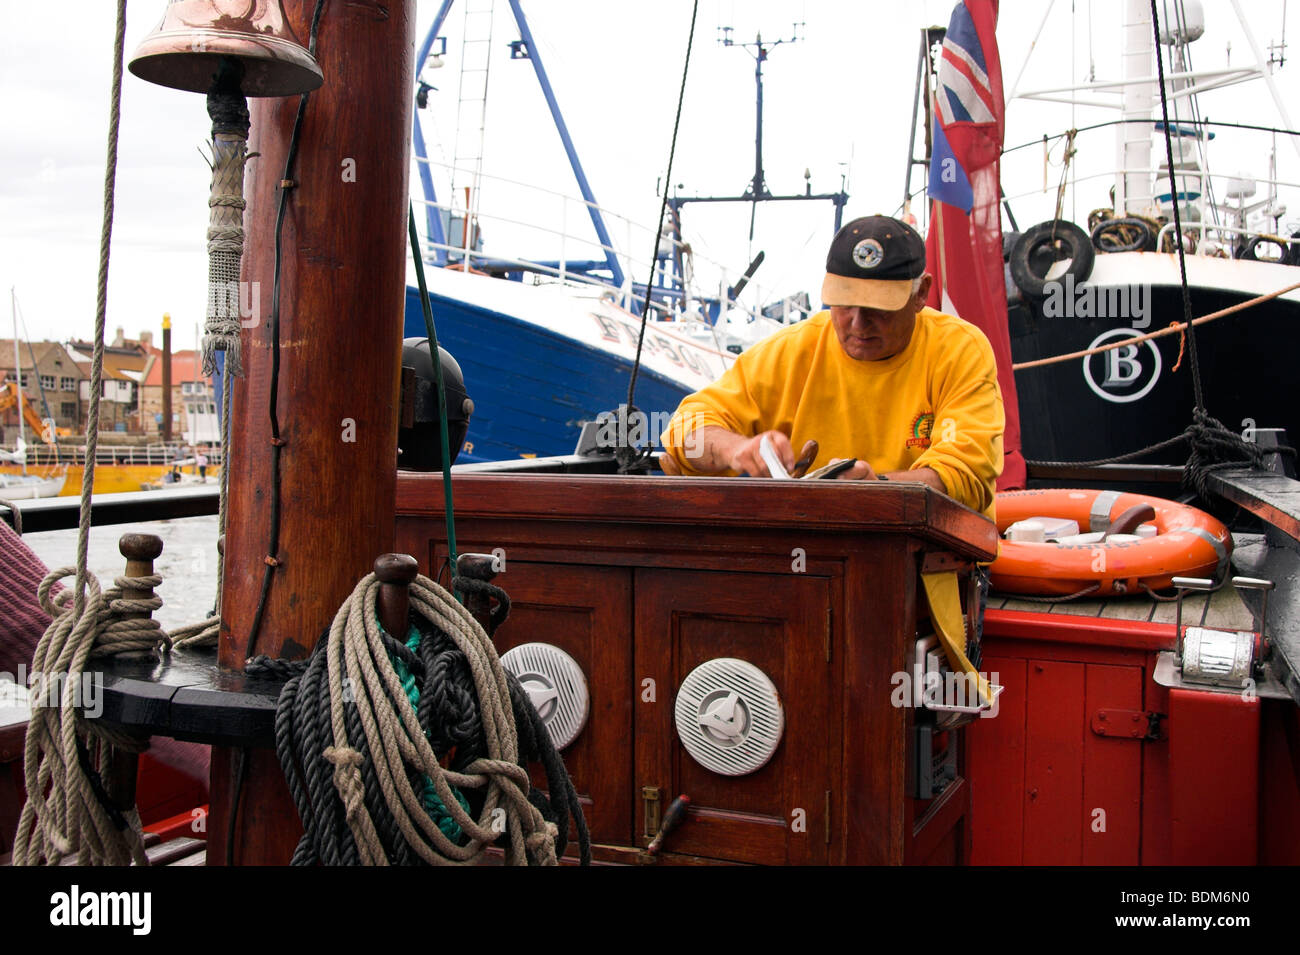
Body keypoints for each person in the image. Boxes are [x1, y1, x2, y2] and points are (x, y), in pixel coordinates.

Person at [659, 215, 1005, 518]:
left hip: (928, 569)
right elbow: (684, 431)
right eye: (844, 304)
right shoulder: (790, 351)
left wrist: (878, 489)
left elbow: (967, 473)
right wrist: (736, 449)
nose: (857, 324)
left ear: (921, 294)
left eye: (878, 308)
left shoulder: (960, 351)